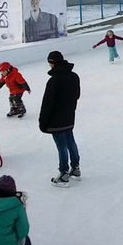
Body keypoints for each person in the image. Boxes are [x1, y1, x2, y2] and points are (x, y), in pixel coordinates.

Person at [40, 51, 82, 187]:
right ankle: (75, 168)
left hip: (56, 120)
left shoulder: (54, 81)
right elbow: (77, 95)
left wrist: (43, 121)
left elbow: (47, 103)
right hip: (69, 117)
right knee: (70, 142)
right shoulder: (74, 76)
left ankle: (64, 174)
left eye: (50, 63)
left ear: (53, 63)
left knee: (61, 146)